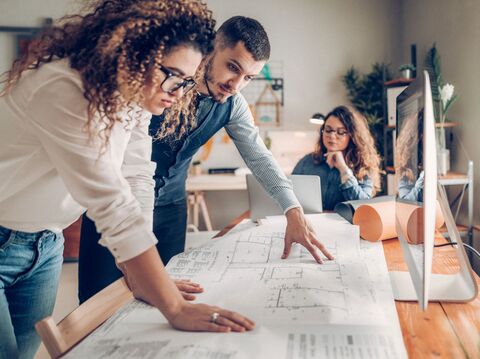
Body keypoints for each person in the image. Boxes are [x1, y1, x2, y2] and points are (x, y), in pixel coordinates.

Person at [0, 1, 255, 358]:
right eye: (173, 76)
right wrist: (173, 306)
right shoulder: (64, 88)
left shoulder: (130, 98)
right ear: (133, 53)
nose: (178, 93)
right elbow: (111, 204)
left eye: (185, 81)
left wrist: (143, 278)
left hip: (45, 243)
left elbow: (136, 177)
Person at [79, 15, 334, 303]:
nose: (236, 85)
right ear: (211, 49)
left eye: (248, 77)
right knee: (98, 302)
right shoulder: (164, 85)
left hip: (171, 211)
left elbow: (259, 156)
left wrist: (293, 210)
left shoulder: (233, 105)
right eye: (232, 67)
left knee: (163, 302)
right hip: (114, 205)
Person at [292, 106, 381, 210]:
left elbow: (362, 207)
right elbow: (289, 194)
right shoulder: (307, 161)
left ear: (352, 136)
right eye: (328, 130)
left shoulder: (363, 166)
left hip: (346, 225)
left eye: (341, 132)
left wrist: (343, 169)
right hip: (310, 223)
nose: (332, 136)